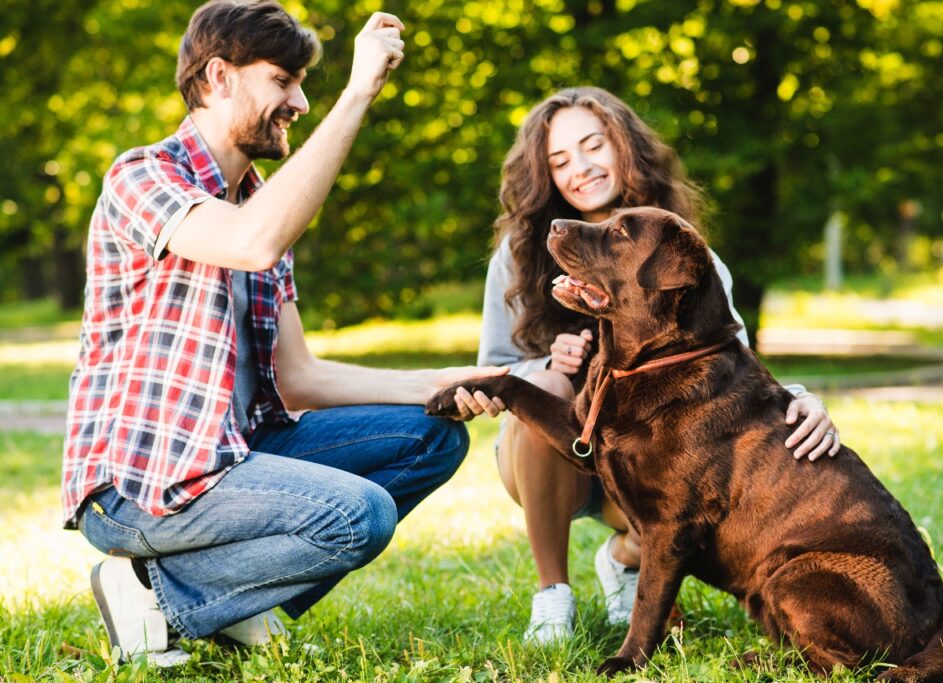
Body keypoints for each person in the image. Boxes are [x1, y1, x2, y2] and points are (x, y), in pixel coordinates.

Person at [62, 0, 503, 666]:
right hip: (138, 484)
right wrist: (358, 92)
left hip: (232, 454)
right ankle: (158, 597)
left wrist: (439, 382)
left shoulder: (259, 200)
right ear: (219, 77)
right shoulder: (143, 176)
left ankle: (222, 601)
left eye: (304, 84)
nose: (298, 101)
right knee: (360, 514)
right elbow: (252, 242)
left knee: (433, 436)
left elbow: (300, 375)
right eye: (282, 80)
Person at [454, 87, 842, 645]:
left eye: (593, 146)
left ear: (625, 146)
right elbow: (495, 369)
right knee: (537, 399)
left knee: (699, 513)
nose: (581, 169)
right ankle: (552, 596)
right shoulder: (519, 256)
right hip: (556, 460)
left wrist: (804, 398)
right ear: (544, 176)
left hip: (648, 460)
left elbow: (735, 371)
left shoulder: (683, 251)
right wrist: (550, 365)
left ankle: (624, 559)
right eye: (559, 162)